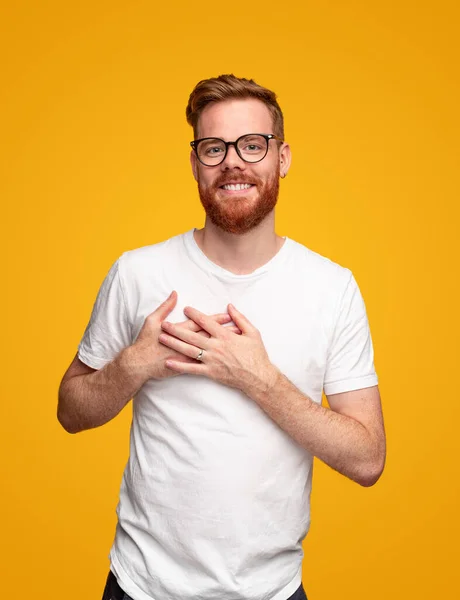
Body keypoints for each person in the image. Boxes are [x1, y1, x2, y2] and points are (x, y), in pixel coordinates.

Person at [58, 73, 386, 600]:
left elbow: (368, 458)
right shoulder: (138, 273)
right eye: (214, 147)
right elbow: (71, 410)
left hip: (272, 591)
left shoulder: (332, 288)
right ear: (195, 164)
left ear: (281, 159)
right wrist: (133, 365)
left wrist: (261, 382)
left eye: (252, 145)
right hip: (141, 587)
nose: (233, 161)